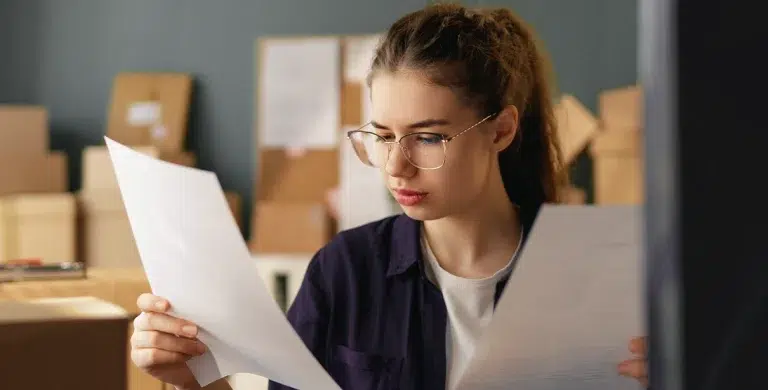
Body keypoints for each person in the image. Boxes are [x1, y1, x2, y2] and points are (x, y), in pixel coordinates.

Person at [129, 4, 648, 390]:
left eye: (428, 137)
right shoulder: (345, 272)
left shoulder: (596, 274)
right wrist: (192, 377)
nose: (395, 166)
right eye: (380, 136)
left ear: (501, 130)